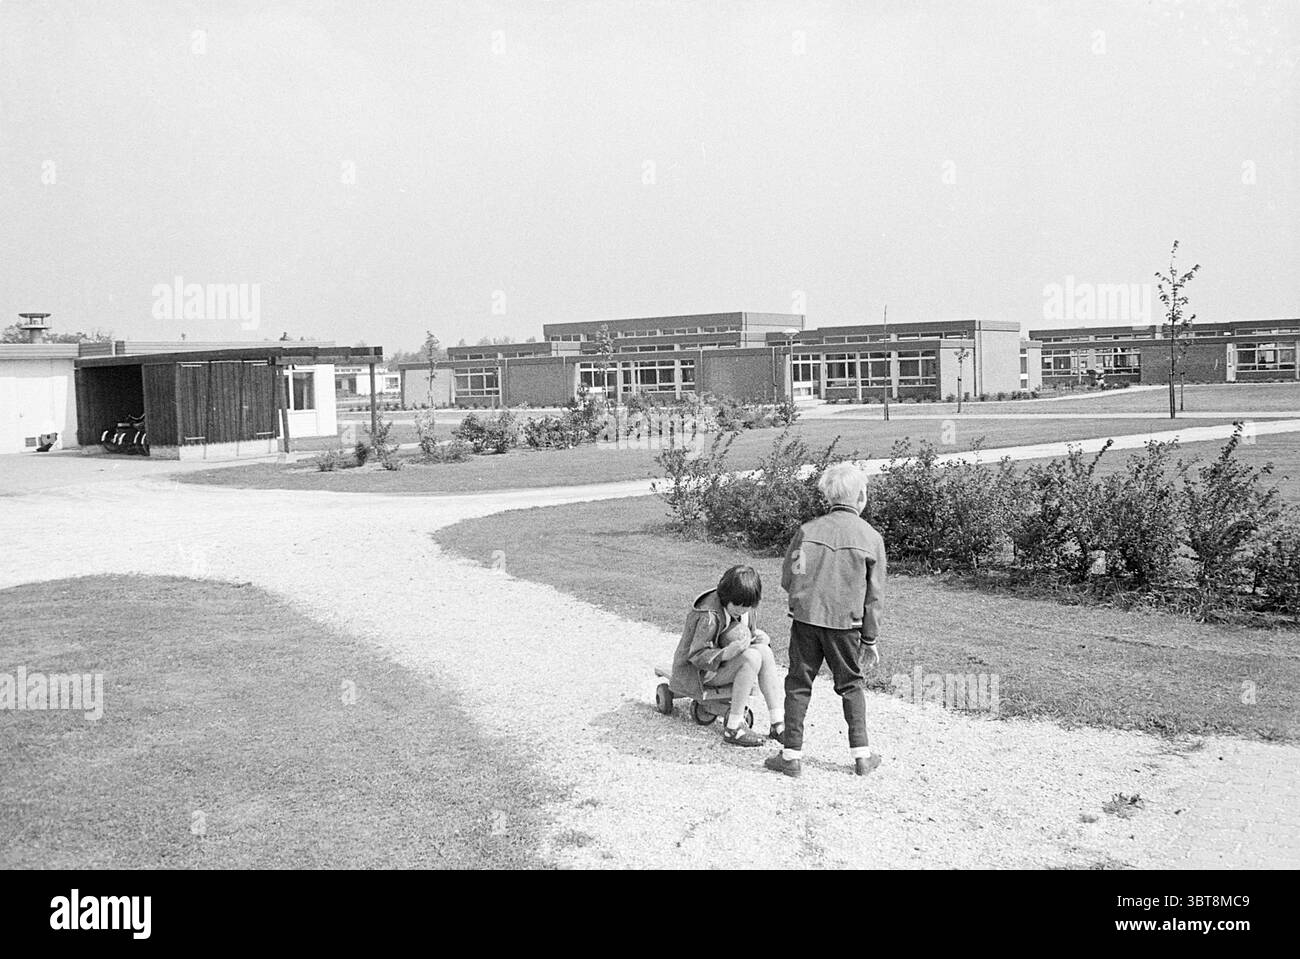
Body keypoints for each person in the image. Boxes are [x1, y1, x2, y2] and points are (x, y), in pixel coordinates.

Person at [765, 462, 886, 778]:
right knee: (851, 685)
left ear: (828, 497)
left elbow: (792, 575)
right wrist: (870, 640)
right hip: (847, 626)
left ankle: (790, 755)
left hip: (806, 621)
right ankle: (861, 755)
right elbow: (873, 597)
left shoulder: (808, 531)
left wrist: (803, 597)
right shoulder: (871, 538)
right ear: (861, 497)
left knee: (798, 683)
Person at [669, 565, 784, 746]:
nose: (741, 610)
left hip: (725, 663)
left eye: (746, 606)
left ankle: (777, 723)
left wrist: (758, 637)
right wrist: (724, 654)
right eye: (737, 605)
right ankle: (733, 728)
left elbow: (743, 633)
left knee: (765, 651)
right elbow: (696, 655)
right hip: (700, 673)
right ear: (726, 596)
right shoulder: (709, 615)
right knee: (751, 658)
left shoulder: (746, 607)